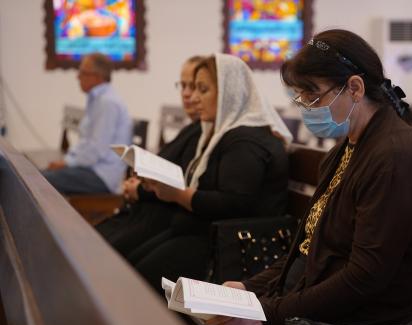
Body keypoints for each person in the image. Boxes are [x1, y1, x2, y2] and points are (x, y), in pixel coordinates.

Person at [199, 29, 412, 325]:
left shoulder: (394, 158)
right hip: (313, 304)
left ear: (354, 88)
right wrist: (248, 289)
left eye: (311, 95)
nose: (304, 107)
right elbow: (309, 248)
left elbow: (364, 279)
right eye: (299, 96)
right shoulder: (347, 149)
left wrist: (265, 316)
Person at [130, 54, 292, 291]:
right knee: (131, 268)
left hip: (228, 245)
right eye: (193, 88)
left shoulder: (246, 141)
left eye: (203, 90)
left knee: (139, 281)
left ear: (230, 93)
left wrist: (176, 194)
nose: (194, 98)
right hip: (204, 234)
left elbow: (233, 204)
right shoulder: (222, 133)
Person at [95, 55, 205, 255]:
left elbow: (181, 183)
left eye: (197, 87)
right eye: (183, 85)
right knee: (94, 238)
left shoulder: (203, 134)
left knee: (104, 251)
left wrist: (140, 190)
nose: (188, 94)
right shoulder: (192, 129)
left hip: (161, 217)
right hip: (146, 211)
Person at [42, 53, 132, 194]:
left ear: (97, 77)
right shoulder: (99, 99)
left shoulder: (107, 103)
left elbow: (96, 150)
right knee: (40, 176)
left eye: (83, 72)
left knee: (40, 180)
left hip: (102, 176)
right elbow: (87, 143)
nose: (78, 77)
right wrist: (67, 160)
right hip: (92, 169)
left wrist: (66, 163)